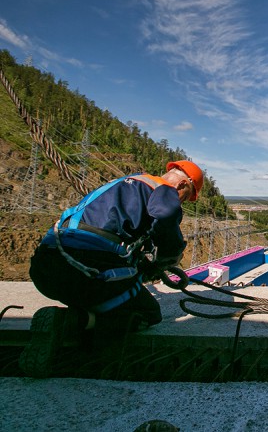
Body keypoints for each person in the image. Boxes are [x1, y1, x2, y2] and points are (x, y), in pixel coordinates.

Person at [20, 160, 204, 377]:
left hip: (47, 266)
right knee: (148, 312)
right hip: (88, 269)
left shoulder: (125, 183)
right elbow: (165, 223)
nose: (181, 201)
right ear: (182, 185)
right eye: (186, 196)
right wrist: (167, 258)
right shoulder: (163, 190)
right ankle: (68, 323)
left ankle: (78, 327)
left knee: (105, 298)